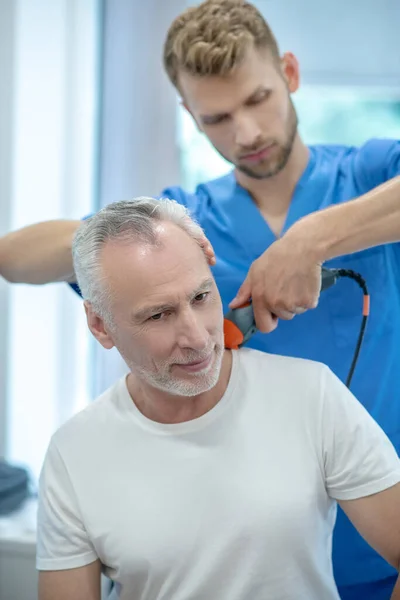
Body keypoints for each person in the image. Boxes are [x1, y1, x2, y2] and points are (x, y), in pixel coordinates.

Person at [1, 1, 399, 597]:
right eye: (216, 117)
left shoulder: (367, 179)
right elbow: (15, 257)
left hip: (377, 545)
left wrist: (313, 239)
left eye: (258, 99)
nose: (247, 134)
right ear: (189, 115)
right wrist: (121, 242)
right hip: (240, 556)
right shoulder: (190, 228)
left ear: (289, 74)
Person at [37, 197, 400, 600]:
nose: (197, 338)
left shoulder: (312, 397)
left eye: (201, 297)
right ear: (100, 325)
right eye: (158, 315)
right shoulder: (74, 453)